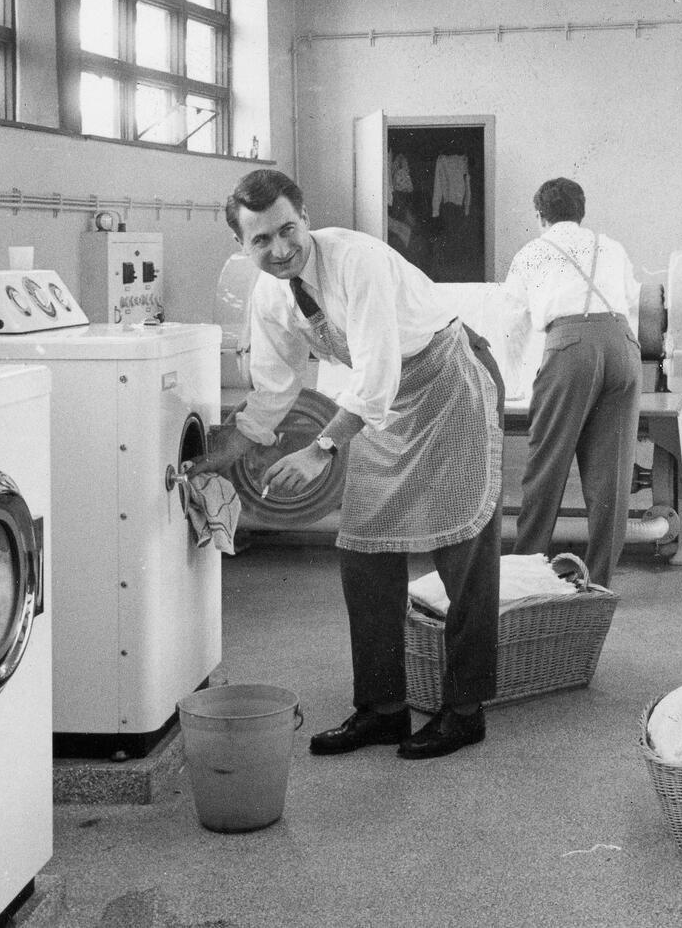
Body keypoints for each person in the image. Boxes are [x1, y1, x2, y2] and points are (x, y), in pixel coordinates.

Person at [189, 168, 505, 760]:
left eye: (288, 230)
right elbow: (278, 381)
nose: (280, 250)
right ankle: (382, 709)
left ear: (305, 216)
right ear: (242, 245)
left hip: (446, 382)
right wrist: (237, 442)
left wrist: (321, 447)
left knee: (464, 548)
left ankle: (465, 710)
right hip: (383, 406)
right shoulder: (270, 293)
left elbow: (377, 371)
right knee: (362, 549)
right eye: (261, 241)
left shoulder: (355, 261)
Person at [501, 177, 642, 585]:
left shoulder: (531, 252)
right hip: (623, 347)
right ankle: (598, 581)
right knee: (611, 476)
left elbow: (513, 323)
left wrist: (513, 380)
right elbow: (631, 301)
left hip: (570, 347)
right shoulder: (611, 246)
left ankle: (525, 576)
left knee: (547, 466)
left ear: (540, 215)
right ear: (582, 212)